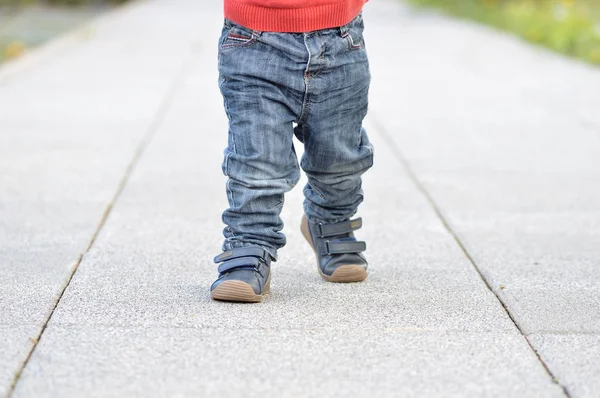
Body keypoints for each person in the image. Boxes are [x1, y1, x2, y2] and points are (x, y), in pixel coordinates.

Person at [211, 0, 374, 303]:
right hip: (253, 41)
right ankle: (250, 242)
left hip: (340, 39)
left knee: (340, 158)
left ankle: (330, 221)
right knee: (258, 161)